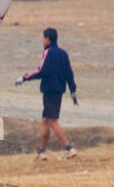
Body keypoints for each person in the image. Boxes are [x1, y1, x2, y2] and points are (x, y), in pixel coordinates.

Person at [15, 27, 77, 160]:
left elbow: (41, 71)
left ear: (48, 39)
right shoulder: (63, 53)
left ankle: (69, 149)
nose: (43, 41)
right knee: (45, 120)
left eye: (43, 38)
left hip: (50, 90)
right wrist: (73, 90)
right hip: (59, 90)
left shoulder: (48, 52)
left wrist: (24, 78)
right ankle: (42, 152)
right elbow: (69, 73)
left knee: (52, 120)